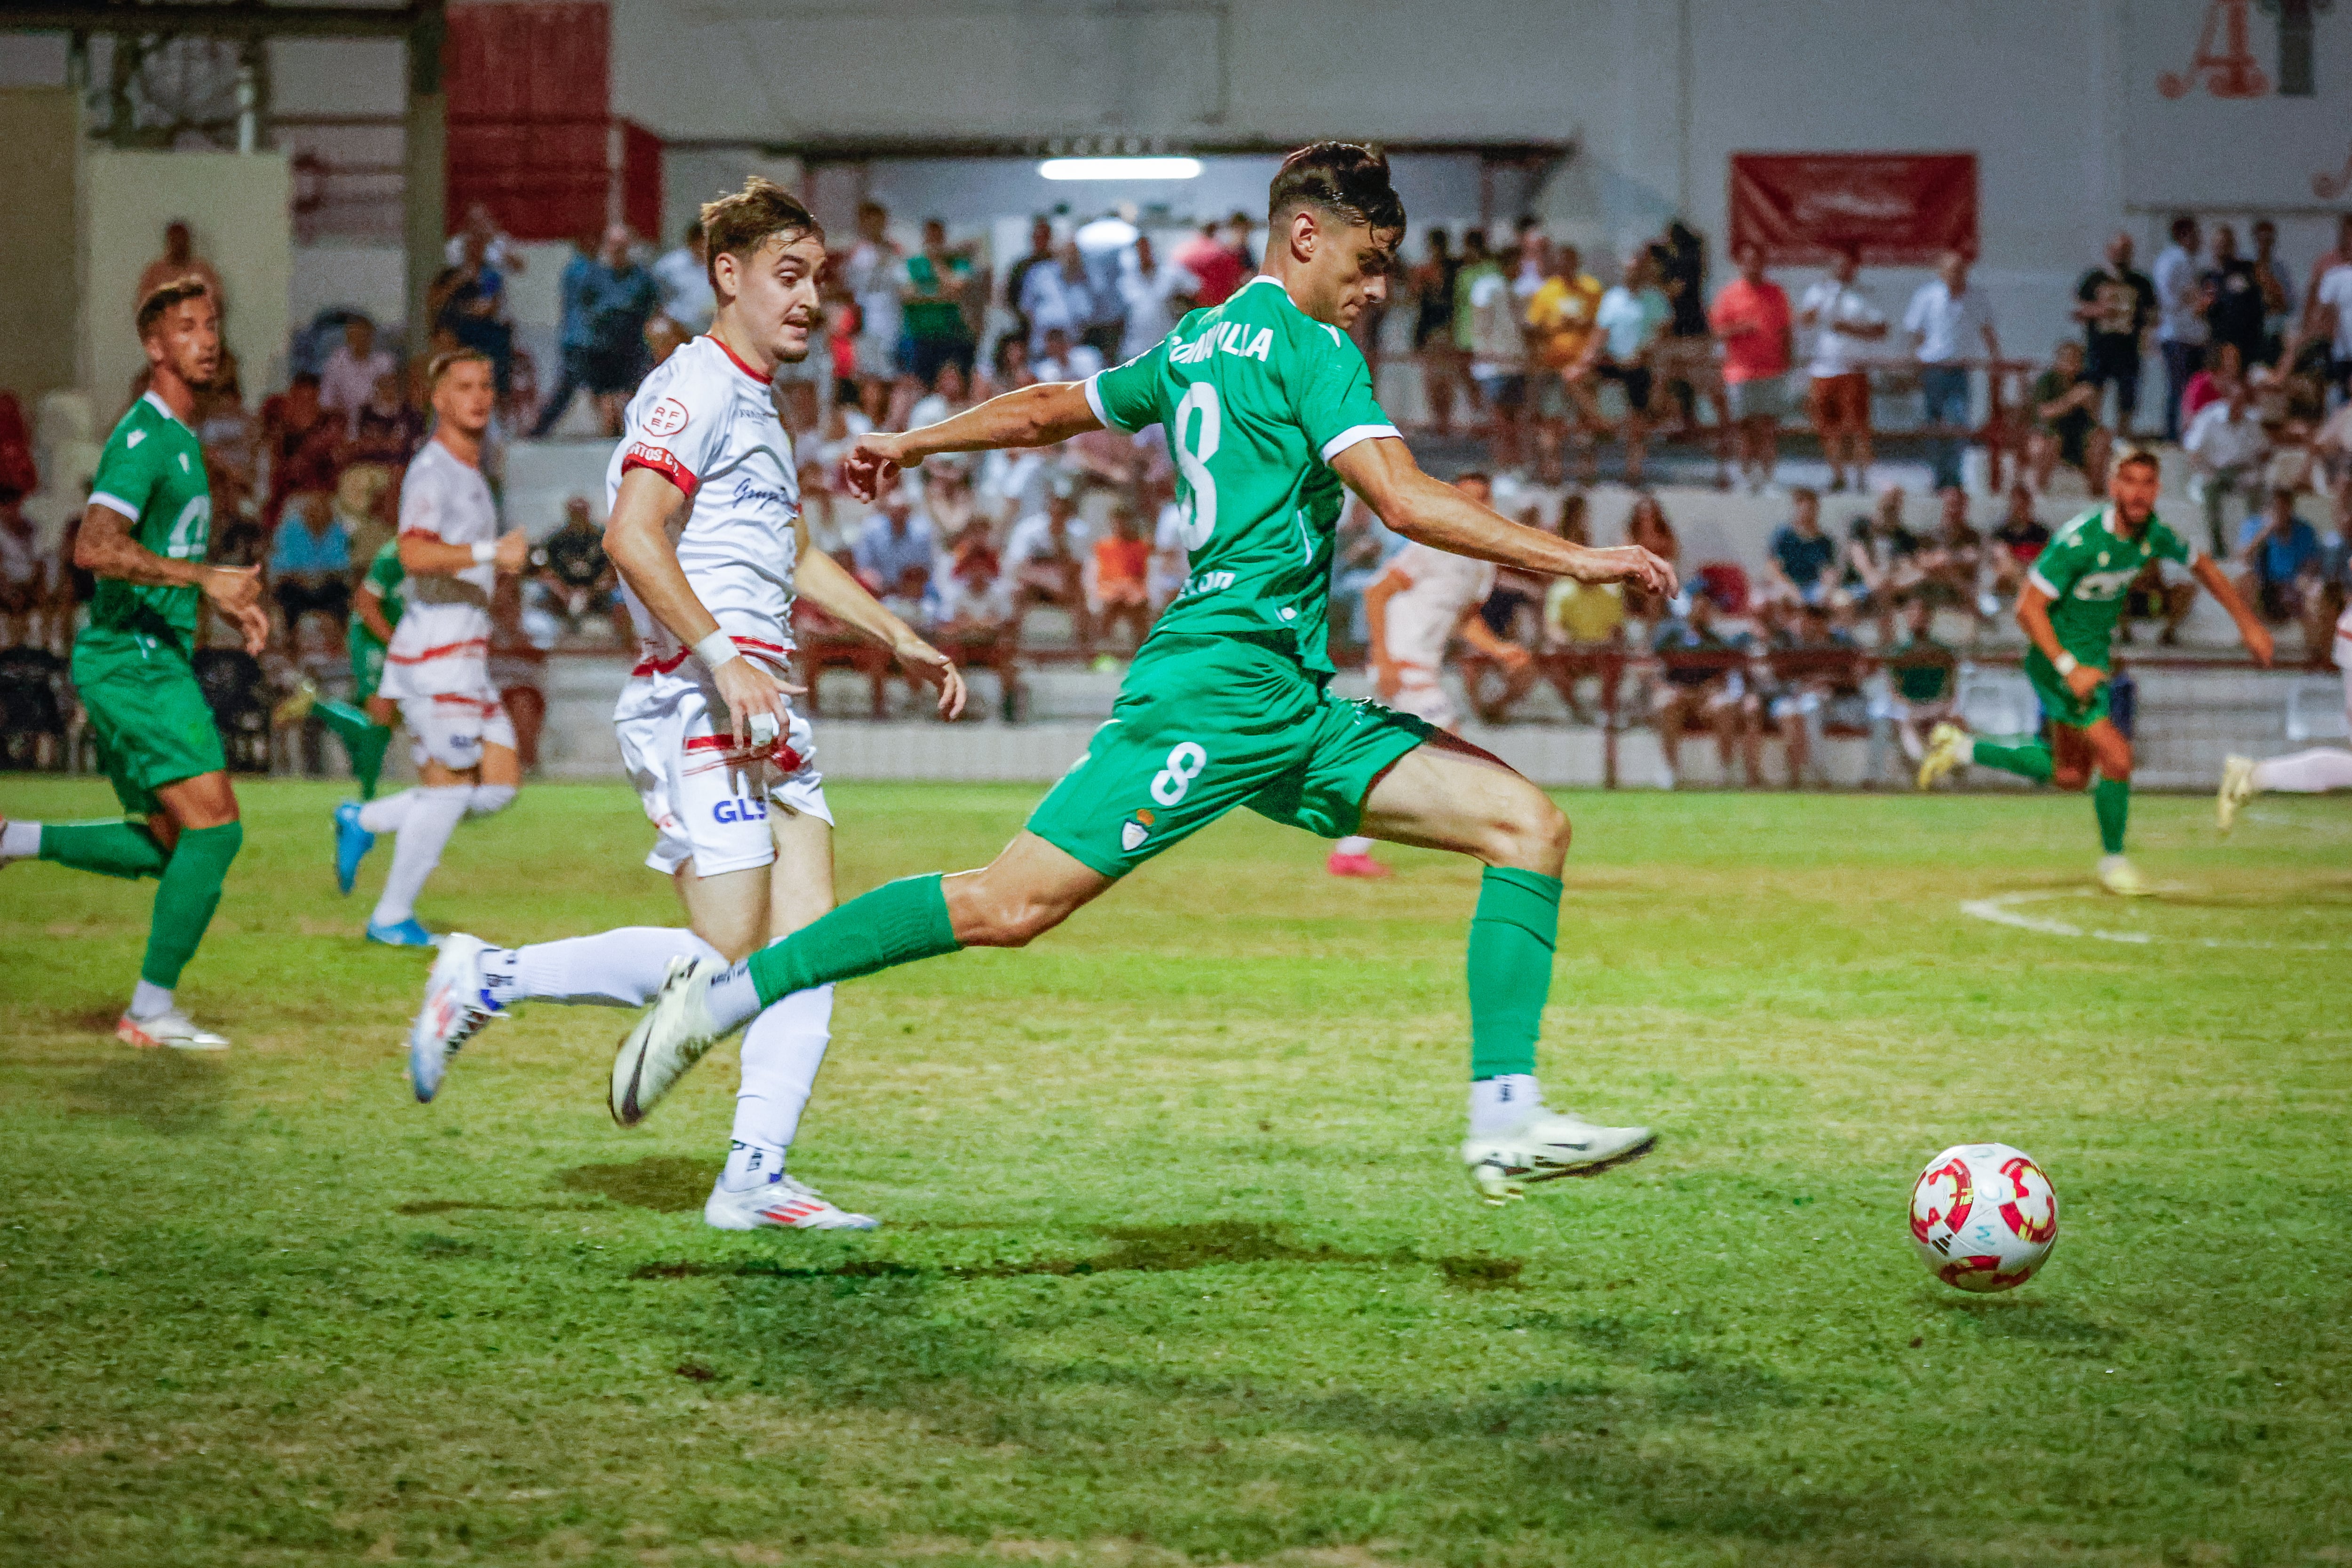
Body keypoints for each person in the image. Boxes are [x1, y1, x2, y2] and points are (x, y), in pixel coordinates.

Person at [609, 143, 1677, 1207]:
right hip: (1215, 691)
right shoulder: (1312, 348)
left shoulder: (1200, 339)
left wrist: (918, 439)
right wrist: (1579, 557)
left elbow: (1046, 409)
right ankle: (727, 998)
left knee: (1527, 826)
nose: (1377, 289)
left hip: (1285, 702)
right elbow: (1400, 498)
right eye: (1369, 259)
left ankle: (1504, 1120)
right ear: (1306, 238)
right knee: (1006, 904)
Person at [404, 178, 965, 1233]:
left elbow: (791, 552)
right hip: (701, 693)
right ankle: (487, 973)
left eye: (817, 281)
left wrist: (898, 634)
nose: (808, 301)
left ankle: (755, 1172)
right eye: (786, 277)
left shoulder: (760, 400)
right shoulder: (690, 388)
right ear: (728, 275)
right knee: (719, 961)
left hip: (767, 700)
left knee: (814, 949)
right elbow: (631, 533)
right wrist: (721, 656)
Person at [0, 278, 266, 1049]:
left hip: (142, 656)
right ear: (156, 346)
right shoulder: (146, 437)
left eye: (212, 325)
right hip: (133, 660)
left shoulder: (185, 439)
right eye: (187, 327)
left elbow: (164, 551)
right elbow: (95, 546)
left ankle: (14, 840)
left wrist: (218, 599)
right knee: (214, 832)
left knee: (171, 840)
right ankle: (150, 1009)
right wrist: (204, 578)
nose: (206, 339)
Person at [1918, 446, 2273, 895]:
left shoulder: (2154, 535)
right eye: (2129, 481)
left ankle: (1963, 748)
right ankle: (2115, 863)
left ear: (2158, 490)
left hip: (2093, 664)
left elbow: (2203, 566)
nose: (2139, 492)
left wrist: (2248, 624)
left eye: (2148, 483)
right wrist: (2069, 668)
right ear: (2113, 487)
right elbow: (2028, 610)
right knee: (2118, 757)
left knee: (2071, 776)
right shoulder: (2079, 540)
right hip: (2057, 663)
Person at [331, 351, 527, 944]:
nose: (479, 397)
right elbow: (413, 552)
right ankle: (391, 917)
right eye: (464, 387)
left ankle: (364, 819)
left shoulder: (472, 472)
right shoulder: (433, 470)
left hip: (465, 653)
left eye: (487, 385)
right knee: (449, 789)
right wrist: (493, 555)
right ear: (438, 399)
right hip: (439, 654)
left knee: (495, 786)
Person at [1327, 472, 1535, 878]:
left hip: (1419, 668)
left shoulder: (1481, 565)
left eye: (1479, 499)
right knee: (1449, 742)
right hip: (1403, 667)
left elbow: (1464, 622)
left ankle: (1351, 847)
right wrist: (1384, 660)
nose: (1470, 505)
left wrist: (1499, 649)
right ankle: (1488, 835)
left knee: (1400, 758)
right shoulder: (1432, 548)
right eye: (1462, 498)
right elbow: (1377, 591)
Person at [1904, 251, 1999, 494]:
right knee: (1935, 425)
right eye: (1951, 269)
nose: (1956, 274)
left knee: (1958, 422)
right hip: (1933, 369)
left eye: (1960, 269)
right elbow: (1915, 334)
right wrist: (1913, 366)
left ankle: (1954, 477)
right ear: (1941, 272)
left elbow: (1987, 331)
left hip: (1960, 370)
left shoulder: (1976, 297)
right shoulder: (1927, 296)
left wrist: (1997, 360)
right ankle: (1938, 476)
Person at [1650, 585, 1759, 788]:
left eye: (1705, 609)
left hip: (1704, 699)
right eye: (1697, 607)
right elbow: (1655, 672)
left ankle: (1725, 770)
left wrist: (1705, 692)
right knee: (1666, 706)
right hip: (1678, 696)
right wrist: (1674, 690)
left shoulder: (1716, 641)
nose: (1701, 612)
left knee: (1724, 708)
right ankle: (1670, 769)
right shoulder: (1670, 636)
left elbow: (1723, 677)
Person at [1798, 246, 1886, 493]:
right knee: (1826, 425)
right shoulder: (1817, 292)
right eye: (1838, 264)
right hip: (1822, 369)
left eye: (1847, 265)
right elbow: (1802, 322)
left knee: (1856, 425)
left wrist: (1849, 329)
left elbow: (1881, 329)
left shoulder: (1863, 296)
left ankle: (1861, 477)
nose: (1842, 270)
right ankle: (1837, 474)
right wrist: (1811, 314)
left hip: (1852, 369)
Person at [1709, 243, 1794, 493]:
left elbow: (1786, 331)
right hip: (1740, 372)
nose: (1752, 265)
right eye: (1747, 261)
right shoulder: (1729, 295)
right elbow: (1717, 331)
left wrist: (1787, 364)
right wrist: (1741, 328)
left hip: (1771, 372)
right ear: (1740, 264)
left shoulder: (1776, 293)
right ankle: (1746, 478)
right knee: (1744, 428)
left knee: (1767, 427)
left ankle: (1767, 479)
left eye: (1756, 260)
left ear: (1763, 263)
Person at [1524, 243, 1605, 485]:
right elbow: (1532, 327)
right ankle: (1552, 472)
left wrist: (1581, 323)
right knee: (1551, 420)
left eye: (1571, 260)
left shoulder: (1592, 289)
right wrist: (1555, 325)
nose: (1566, 266)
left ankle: (1586, 472)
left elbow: (1601, 325)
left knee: (1585, 422)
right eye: (1563, 261)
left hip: (1582, 369)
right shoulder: (1546, 292)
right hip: (1552, 367)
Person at [1593, 248, 1672, 485]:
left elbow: (1663, 331)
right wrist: (1588, 358)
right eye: (1629, 270)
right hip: (1614, 363)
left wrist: (1646, 351)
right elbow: (1601, 332)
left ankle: (1634, 469)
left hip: (1641, 365)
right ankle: (1604, 425)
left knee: (1638, 419)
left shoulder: (1655, 298)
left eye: (1637, 270)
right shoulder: (1612, 298)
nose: (1632, 274)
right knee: (1578, 384)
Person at [2074, 231, 2155, 436]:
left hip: (2128, 348)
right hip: (2100, 346)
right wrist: (2101, 311)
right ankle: (2092, 436)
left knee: (2127, 397)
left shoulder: (2140, 282)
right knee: (2094, 391)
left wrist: (2142, 326)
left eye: (2126, 251)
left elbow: (2152, 314)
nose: (2121, 255)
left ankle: (2123, 436)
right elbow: (2079, 310)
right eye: (2118, 251)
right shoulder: (2095, 279)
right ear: (2109, 251)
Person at [1458, 231, 1526, 472]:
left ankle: (1514, 465)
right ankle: (1502, 465)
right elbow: (1481, 321)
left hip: (1513, 364)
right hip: (1495, 366)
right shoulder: (1488, 286)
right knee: (1499, 420)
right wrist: (1486, 353)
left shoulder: (1509, 288)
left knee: (1514, 419)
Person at [2182, 378, 2270, 557]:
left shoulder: (2251, 422)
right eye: (2235, 399)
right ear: (2227, 399)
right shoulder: (2210, 417)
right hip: (2215, 470)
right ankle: (2217, 546)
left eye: (2242, 400)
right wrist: (2207, 469)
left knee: (2258, 489)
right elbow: (2193, 451)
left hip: (2242, 472)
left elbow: (2264, 451)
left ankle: (2253, 545)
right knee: (2210, 489)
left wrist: (2255, 466)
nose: (2238, 404)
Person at [900, 218, 981, 387]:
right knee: (921, 385)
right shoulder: (914, 264)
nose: (934, 241)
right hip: (922, 336)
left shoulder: (958, 262)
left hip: (953, 335)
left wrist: (936, 263)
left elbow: (957, 289)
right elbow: (906, 294)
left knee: (955, 385)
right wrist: (943, 294)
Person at [2231, 485, 2325, 631]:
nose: (2281, 513)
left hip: (2294, 586)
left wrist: (2305, 578)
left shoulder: (2304, 530)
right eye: (2276, 508)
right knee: (2243, 583)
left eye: (2285, 507)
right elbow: (2244, 558)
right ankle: (2250, 636)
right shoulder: (2253, 526)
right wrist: (2266, 532)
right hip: (2264, 587)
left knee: (2316, 590)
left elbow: (2313, 562)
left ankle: (2313, 643)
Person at [2026, 339, 2109, 492]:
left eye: (2076, 359)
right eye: (2067, 358)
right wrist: (2071, 400)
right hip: (2053, 432)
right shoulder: (2047, 381)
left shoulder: (2085, 380)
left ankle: (2096, 494)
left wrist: (2090, 401)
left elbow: (2095, 416)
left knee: (2101, 440)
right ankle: (2040, 493)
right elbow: (2044, 412)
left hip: (2079, 433)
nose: (2072, 363)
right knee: (2047, 443)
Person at [2153, 215, 2209, 442]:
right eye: (2196, 235)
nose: (2199, 240)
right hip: (2179, 335)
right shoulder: (2176, 261)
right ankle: (2175, 435)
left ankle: (2181, 433)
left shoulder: (2181, 261)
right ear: (2184, 235)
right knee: (2182, 390)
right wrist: (2201, 302)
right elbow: (2175, 298)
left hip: (2188, 335)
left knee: (2186, 389)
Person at [267, 489, 353, 630]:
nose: (317, 514)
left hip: (327, 586)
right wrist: (305, 580)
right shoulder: (291, 529)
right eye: (313, 510)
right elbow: (282, 568)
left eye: (322, 509)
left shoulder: (337, 530)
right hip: (298, 586)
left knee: (340, 594)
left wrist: (321, 579)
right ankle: (291, 641)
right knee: (288, 595)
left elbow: (342, 566)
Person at [1411, 228, 1463, 436]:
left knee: (1445, 380)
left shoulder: (1453, 270)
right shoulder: (1425, 271)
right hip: (1430, 331)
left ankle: (1445, 422)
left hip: (1446, 330)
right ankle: (1439, 422)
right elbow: (1416, 297)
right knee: (1433, 380)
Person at [1117, 235, 1199, 364]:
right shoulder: (1125, 281)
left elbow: (1195, 291)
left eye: (1146, 249)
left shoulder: (1171, 274)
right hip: (1136, 349)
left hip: (1166, 345)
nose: (1143, 254)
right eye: (1139, 250)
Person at [1087, 502, 1154, 653]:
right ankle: (1100, 650)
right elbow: (1102, 576)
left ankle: (1141, 649)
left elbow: (1140, 576)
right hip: (1110, 589)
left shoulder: (1140, 546)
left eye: (1124, 521)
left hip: (1132, 590)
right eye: (1118, 521)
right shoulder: (1104, 546)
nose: (1121, 525)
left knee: (1138, 604)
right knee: (1112, 604)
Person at [1763, 486, 1840, 607]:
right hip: (1788, 586)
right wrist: (1793, 592)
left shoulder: (1824, 541)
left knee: (1841, 601)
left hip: (1814, 587)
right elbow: (1773, 570)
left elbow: (1829, 571)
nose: (1810, 513)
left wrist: (1827, 591)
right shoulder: (1783, 536)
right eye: (1807, 508)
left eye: (1813, 509)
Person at [2203, 223, 2265, 374]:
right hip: (2221, 342)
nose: (2222, 248)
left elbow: (2273, 294)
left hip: (2250, 340)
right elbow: (2200, 308)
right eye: (2219, 244)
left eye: (2226, 244)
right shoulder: (2209, 278)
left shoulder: (2248, 269)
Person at [318, 317, 395, 438]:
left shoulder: (385, 362)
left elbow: (390, 398)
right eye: (354, 334)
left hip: (380, 428)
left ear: (371, 335)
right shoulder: (336, 362)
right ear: (348, 336)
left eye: (364, 334)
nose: (359, 339)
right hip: (345, 432)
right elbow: (326, 401)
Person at [134, 221, 222, 312]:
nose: (179, 245)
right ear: (169, 242)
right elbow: (143, 307)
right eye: (176, 241)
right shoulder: (155, 273)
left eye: (182, 241)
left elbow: (217, 302)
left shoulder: (203, 271)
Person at [652, 219, 717, 338]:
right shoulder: (671, 265)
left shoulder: (717, 267)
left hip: (708, 328)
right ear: (692, 241)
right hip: (677, 326)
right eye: (701, 240)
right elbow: (654, 290)